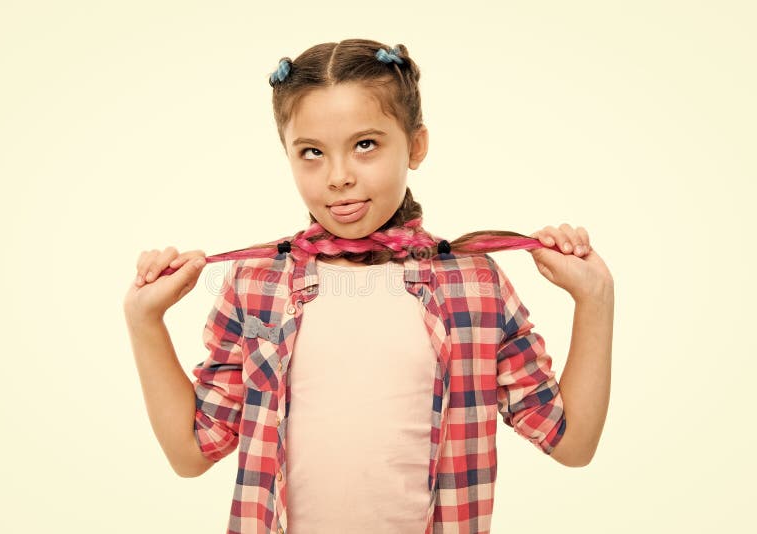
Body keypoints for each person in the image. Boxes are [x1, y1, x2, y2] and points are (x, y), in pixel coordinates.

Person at [123, 38, 614, 534]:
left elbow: (571, 445)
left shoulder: (475, 284)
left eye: (365, 145)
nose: (339, 177)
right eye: (311, 152)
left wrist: (594, 300)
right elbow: (192, 453)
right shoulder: (257, 283)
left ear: (416, 145)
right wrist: (144, 321)